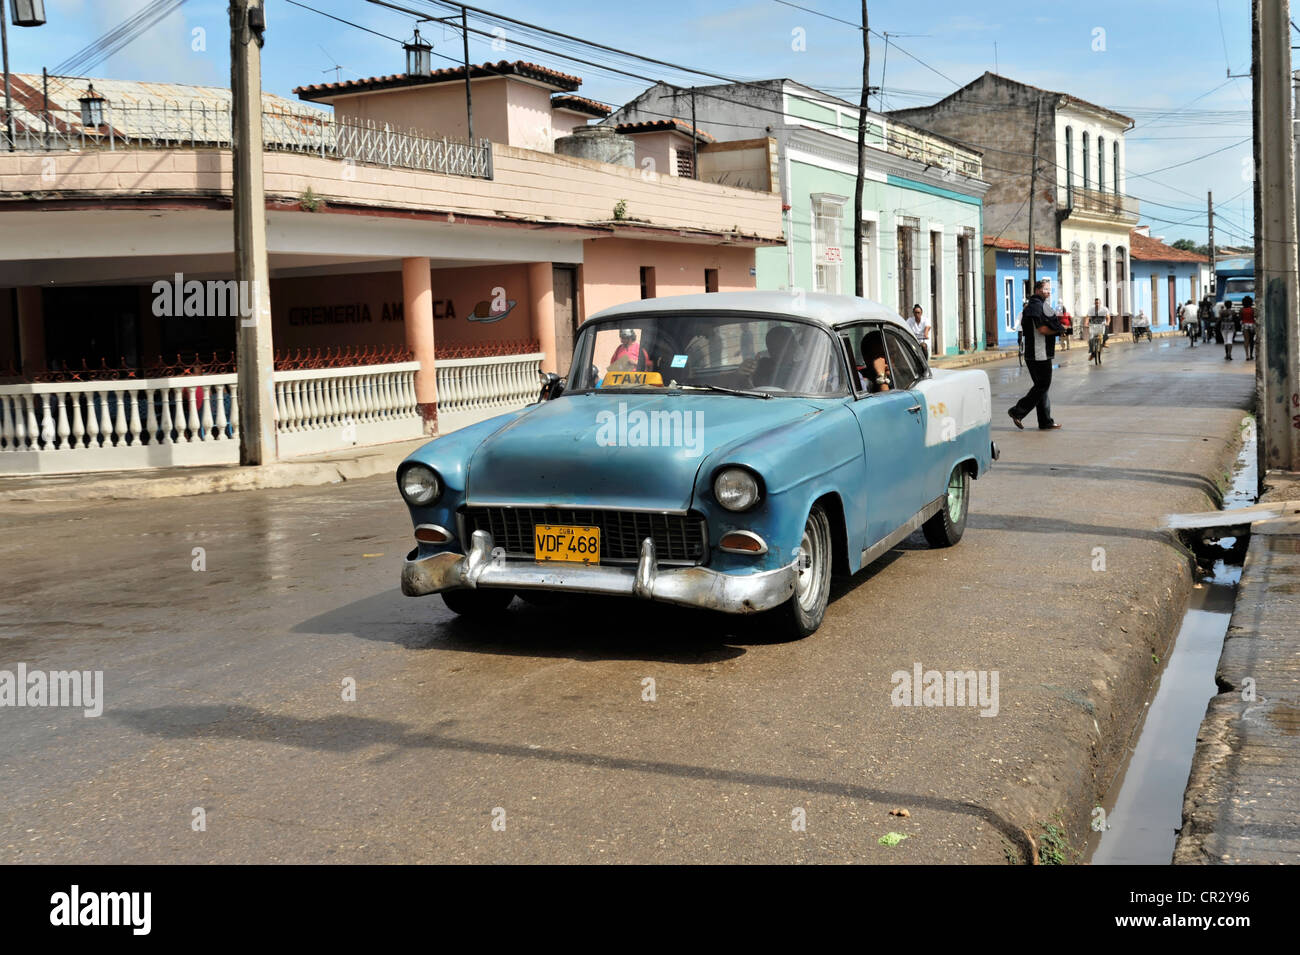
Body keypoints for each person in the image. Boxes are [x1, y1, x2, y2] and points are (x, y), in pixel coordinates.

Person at [1008, 278, 1063, 431]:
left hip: (1033, 353)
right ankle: (1017, 411)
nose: (1049, 292)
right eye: (1046, 289)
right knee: (1043, 385)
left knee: (1041, 388)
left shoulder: (1033, 306)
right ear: (1038, 290)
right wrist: (1058, 330)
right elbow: (1042, 330)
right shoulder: (1037, 307)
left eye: (1049, 289)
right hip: (1040, 353)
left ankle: (1045, 421)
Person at [1241, 295, 1256, 361]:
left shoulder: (1242, 310)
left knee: (1246, 340)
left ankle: (1247, 355)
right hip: (1252, 325)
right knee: (1251, 340)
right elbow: (1254, 317)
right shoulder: (1253, 310)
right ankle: (1251, 354)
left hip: (1245, 325)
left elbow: (1240, 318)